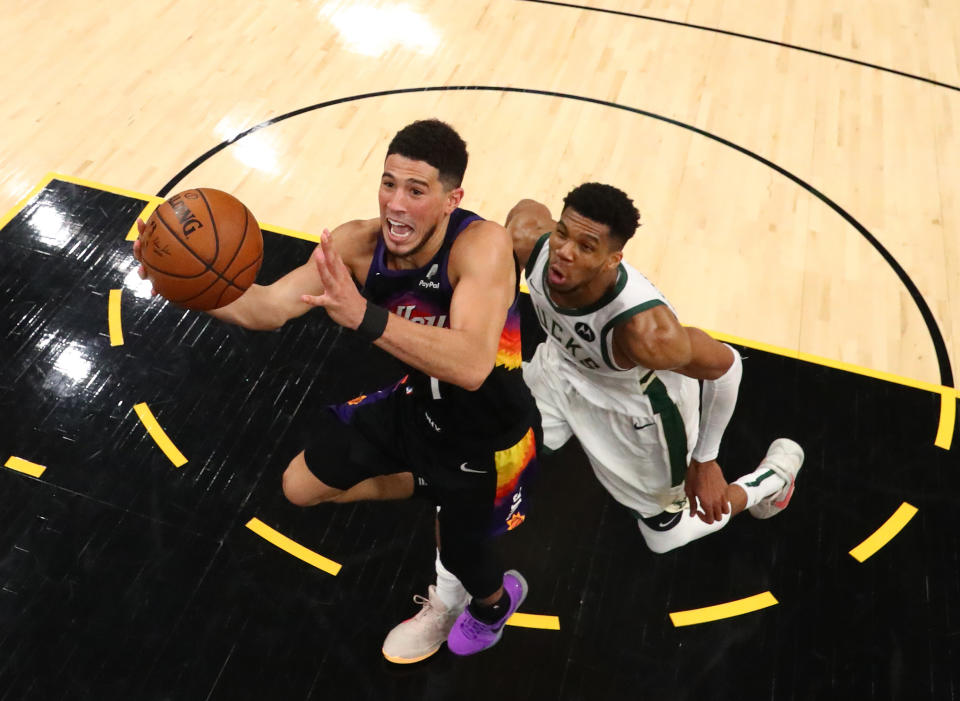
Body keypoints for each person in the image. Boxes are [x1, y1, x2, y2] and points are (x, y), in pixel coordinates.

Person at [133, 119, 541, 663]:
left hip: (487, 435)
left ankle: (492, 606)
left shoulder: (482, 246)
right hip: (417, 408)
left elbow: (470, 365)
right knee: (300, 486)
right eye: (389, 183)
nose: (396, 203)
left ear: (451, 199)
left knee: (467, 558)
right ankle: (428, 483)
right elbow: (267, 308)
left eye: (417, 191)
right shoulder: (355, 243)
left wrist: (364, 317)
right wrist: (175, 282)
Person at [503, 182, 804, 555]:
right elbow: (525, 210)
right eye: (562, 233)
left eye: (586, 247)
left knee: (664, 535)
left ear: (613, 259)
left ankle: (772, 478)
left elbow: (726, 368)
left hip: (635, 409)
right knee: (491, 450)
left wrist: (706, 460)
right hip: (558, 370)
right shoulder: (526, 238)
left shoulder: (648, 334)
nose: (563, 253)